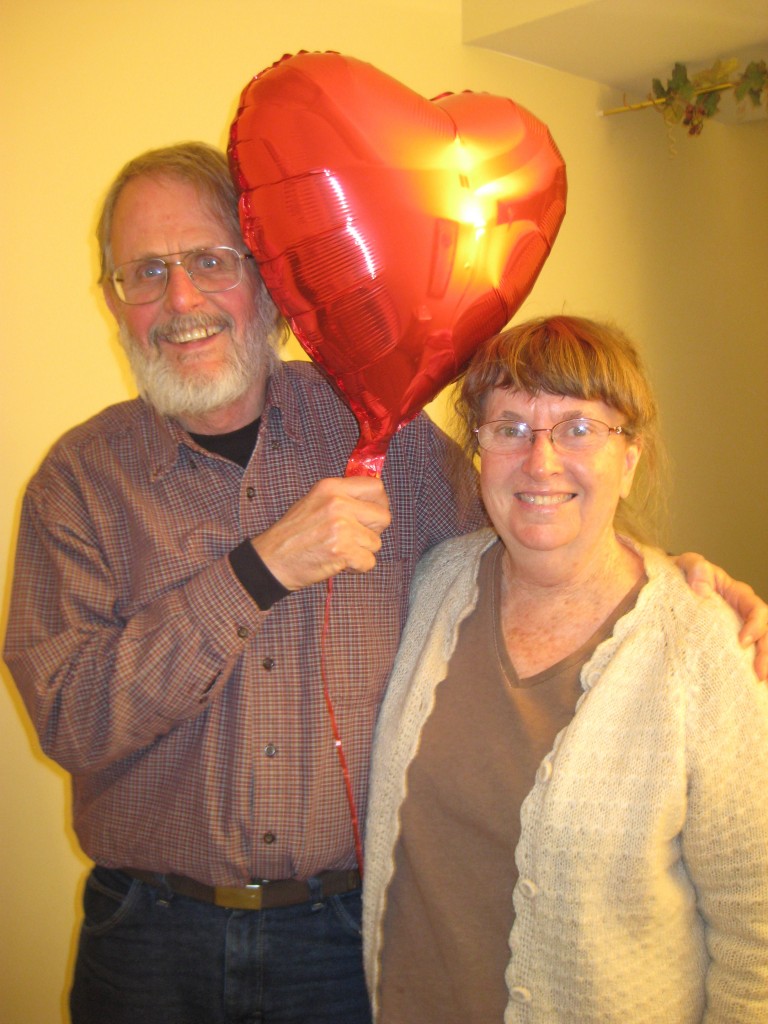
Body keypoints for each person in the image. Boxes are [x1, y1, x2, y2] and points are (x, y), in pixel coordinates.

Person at [2, 145, 765, 1024]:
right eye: (147, 273)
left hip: (345, 941)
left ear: (270, 280)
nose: (181, 300)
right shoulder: (78, 483)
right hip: (147, 940)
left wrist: (681, 585)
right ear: (114, 302)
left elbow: (534, 519)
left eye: (211, 261)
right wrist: (261, 568)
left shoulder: (386, 431)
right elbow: (69, 718)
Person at [362, 315, 768, 1024]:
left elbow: (756, 935)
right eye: (510, 428)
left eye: (578, 428)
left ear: (630, 454)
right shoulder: (433, 584)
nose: (541, 462)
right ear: (478, 451)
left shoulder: (705, 649)